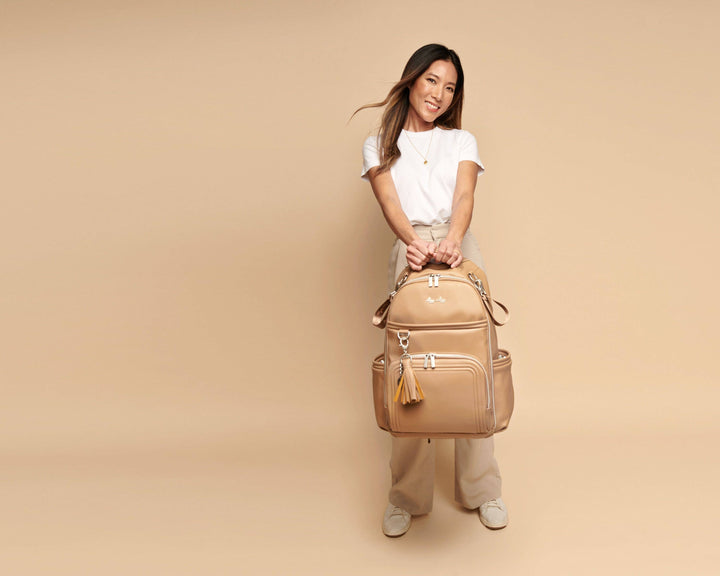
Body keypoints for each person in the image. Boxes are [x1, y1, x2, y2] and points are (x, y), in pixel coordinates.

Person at [354, 44, 508, 537]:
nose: (439, 94)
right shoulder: (378, 144)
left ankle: (482, 489)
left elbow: (464, 195)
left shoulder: (461, 140)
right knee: (408, 367)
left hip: (460, 247)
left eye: (450, 87)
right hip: (410, 248)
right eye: (432, 81)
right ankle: (406, 496)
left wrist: (453, 241)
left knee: (474, 359)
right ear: (413, 80)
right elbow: (389, 201)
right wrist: (413, 243)